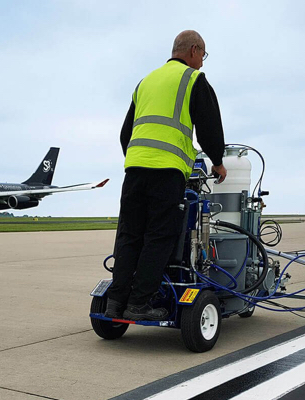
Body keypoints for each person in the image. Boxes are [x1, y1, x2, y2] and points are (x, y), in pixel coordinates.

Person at [105, 30, 227, 321]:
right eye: (203, 55)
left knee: (129, 235)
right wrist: (218, 161)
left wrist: (138, 158)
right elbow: (209, 125)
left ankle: (115, 303)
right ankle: (140, 303)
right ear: (194, 50)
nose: (202, 62)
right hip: (167, 171)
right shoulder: (193, 80)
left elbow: (126, 133)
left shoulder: (145, 82)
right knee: (159, 236)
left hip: (135, 169)